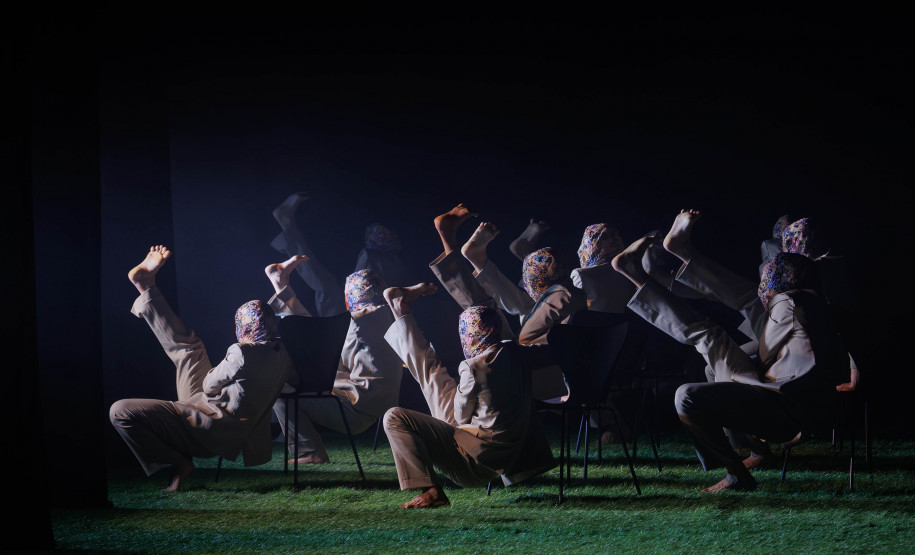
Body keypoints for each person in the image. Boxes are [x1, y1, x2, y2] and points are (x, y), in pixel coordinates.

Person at [611, 210, 847, 492]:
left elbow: (765, 354)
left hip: (780, 407)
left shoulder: (789, 302)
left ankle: (738, 469)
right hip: (787, 399)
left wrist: (734, 354)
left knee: (706, 338)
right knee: (719, 340)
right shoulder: (812, 299)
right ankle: (666, 262)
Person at [110, 245, 294, 491]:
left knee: (120, 411)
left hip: (209, 426)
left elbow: (208, 385)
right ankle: (146, 287)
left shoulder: (241, 352)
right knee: (190, 348)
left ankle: (177, 462)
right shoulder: (285, 352)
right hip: (227, 421)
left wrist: (226, 378)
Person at [381, 284, 555, 508]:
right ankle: (401, 311)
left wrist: (466, 391)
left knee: (397, 414)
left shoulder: (473, 366)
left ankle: (431, 491)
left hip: (476, 461)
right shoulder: (518, 354)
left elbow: (461, 416)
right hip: (515, 456)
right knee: (432, 376)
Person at [264, 255, 404, 465]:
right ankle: (280, 284)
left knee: (280, 392)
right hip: (375, 405)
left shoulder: (366, 322)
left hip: (359, 409)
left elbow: (323, 346)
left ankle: (310, 451)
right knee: (315, 346)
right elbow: (322, 342)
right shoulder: (383, 320)